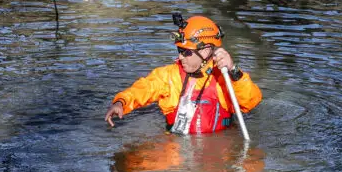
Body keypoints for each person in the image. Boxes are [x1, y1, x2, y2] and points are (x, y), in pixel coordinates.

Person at [105, 15, 262, 135]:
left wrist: (233, 70)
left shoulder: (224, 78)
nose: (180, 57)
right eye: (179, 51)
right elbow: (143, 89)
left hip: (216, 153)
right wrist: (121, 102)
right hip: (175, 149)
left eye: (186, 52)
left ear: (206, 50)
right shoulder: (169, 76)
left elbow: (250, 102)